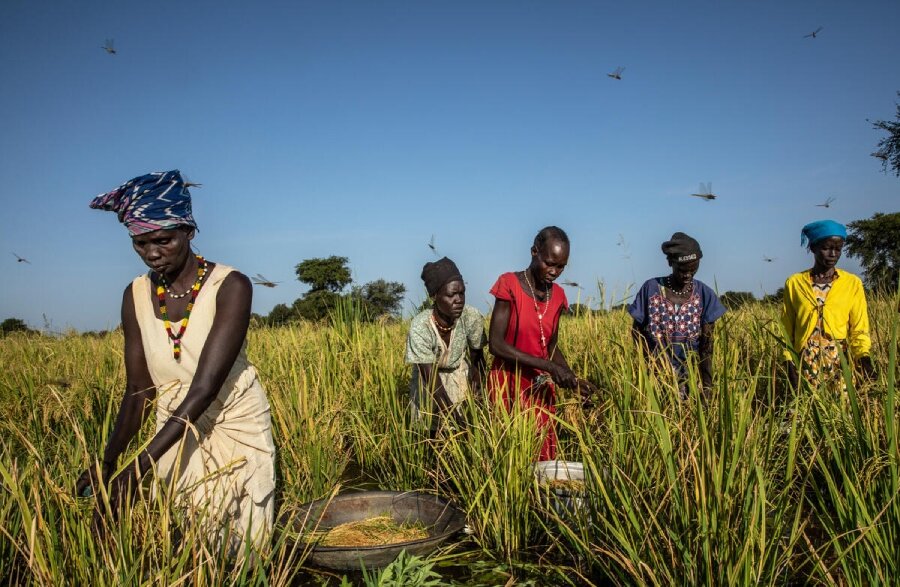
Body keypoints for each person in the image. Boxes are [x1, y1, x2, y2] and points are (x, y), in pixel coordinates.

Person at [75, 170, 276, 555]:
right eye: (141, 243)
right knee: (190, 531)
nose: (152, 253)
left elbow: (204, 387)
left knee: (244, 537)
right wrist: (109, 463)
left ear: (188, 231)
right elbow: (139, 390)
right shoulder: (134, 295)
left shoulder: (231, 286)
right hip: (172, 425)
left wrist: (138, 469)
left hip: (230, 417)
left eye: (163, 240)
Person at [487, 226, 596, 461]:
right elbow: (495, 344)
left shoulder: (557, 296)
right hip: (508, 385)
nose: (555, 271)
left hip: (540, 388)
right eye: (549, 263)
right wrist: (548, 367)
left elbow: (552, 346)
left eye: (561, 266)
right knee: (509, 457)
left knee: (542, 457)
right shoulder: (509, 285)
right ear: (534, 252)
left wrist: (572, 380)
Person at [628, 232, 726, 400]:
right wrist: (651, 365)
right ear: (670, 263)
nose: (688, 275)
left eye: (693, 269)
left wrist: (707, 387)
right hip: (656, 380)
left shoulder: (704, 295)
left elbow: (707, 346)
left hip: (691, 380)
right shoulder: (651, 289)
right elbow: (637, 333)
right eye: (682, 270)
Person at [781, 220, 875, 391]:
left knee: (841, 413)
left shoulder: (852, 284)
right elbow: (787, 329)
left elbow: (859, 328)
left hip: (841, 362)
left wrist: (864, 358)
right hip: (805, 361)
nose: (833, 254)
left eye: (838, 249)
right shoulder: (794, 283)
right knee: (805, 411)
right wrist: (788, 360)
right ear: (813, 248)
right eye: (826, 248)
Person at [405, 257, 487, 432]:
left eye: (462, 293)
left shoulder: (471, 317)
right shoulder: (421, 326)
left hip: (460, 378)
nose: (458, 300)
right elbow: (432, 382)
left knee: (468, 433)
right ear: (434, 296)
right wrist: (458, 423)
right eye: (451, 295)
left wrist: (478, 394)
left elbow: (478, 360)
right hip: (429, 386)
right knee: (430, 435)